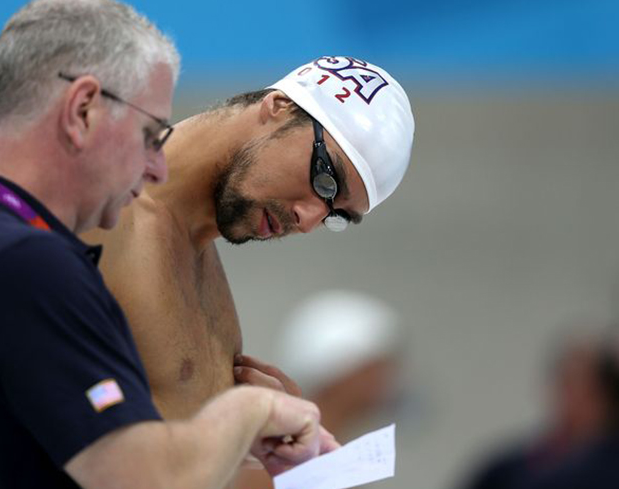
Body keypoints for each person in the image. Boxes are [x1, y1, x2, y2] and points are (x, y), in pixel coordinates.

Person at [0, 1, 336, 488]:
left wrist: (244, 444)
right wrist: (251, 410)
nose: (158, 166)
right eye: (149, 134)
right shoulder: (18, 263)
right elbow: (140, 479)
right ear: (82, 111)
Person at [84, 55, 416, 423]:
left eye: (335, 214)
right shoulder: (97, 212)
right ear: (279, 107)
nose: (308, 221)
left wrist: (266, 438)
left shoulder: (213, 299)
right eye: (326, 181)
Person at [235, 290, 404, 489]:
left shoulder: (328, 459)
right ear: (342, 372)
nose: (391, 379)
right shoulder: (279, 460)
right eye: (376, 368)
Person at [460, 325, 619, 489]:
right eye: (564, 380)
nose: (566, 394)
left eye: (580, 384)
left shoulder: (607, 466)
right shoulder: (509, 467)